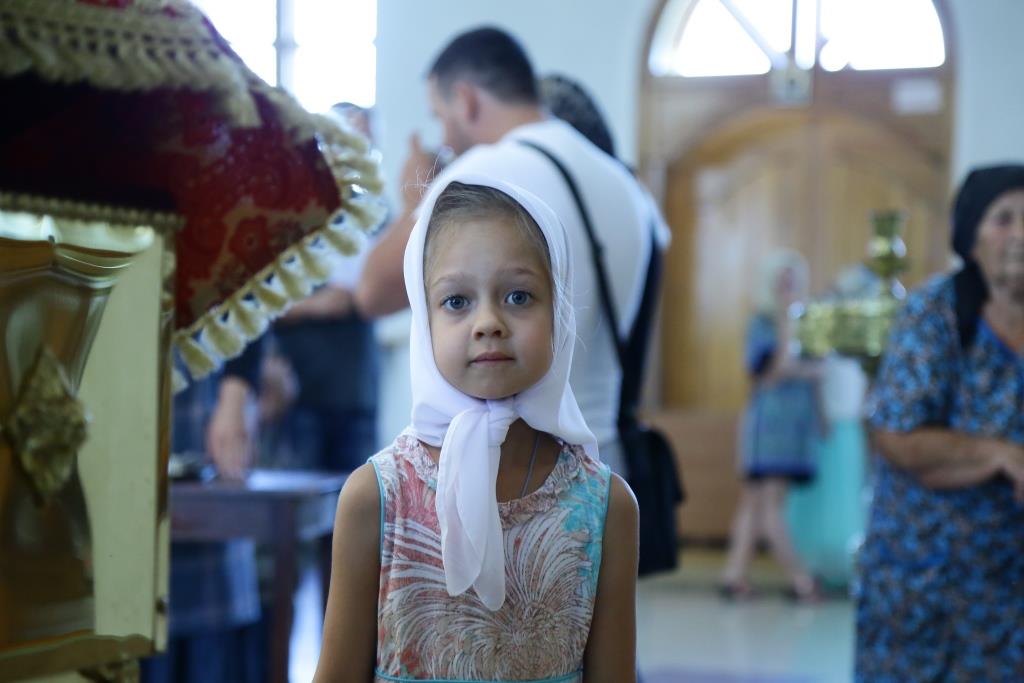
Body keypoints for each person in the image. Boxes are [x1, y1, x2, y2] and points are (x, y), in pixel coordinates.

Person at [314, 175, 639, 682]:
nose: (488, 322)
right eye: (457, 301)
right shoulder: (377, 499)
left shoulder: (604, 507)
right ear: (424, 320)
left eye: (519, 296)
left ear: (559, 312)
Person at [355, 27, 658, 476]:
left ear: (466, 100)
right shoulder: (623, 183)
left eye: (440, 116)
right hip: (603, 461)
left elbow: (371, 292)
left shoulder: (483, 173)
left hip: (509, 467)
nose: (444, 137)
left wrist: (415, 199)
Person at [855, 164, 1024, 681]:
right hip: (925, 579)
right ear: (972, 237)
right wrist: (1001, 456)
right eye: (1004, 219)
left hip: (1010, 586)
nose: (1020, 235)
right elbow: (896, 436)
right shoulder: (934, 314)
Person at [720, 249, 823, 602]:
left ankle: (734, 575)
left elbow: (818, 371)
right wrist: (785, 326)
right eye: (781, 283)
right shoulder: (763, 324)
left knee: (754, 503)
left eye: (793, 283)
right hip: (767, 429)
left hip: (795, 427)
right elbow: (775, 369)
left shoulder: (810, 323)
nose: (788, 290)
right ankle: (800, 579)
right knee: (767, 504)